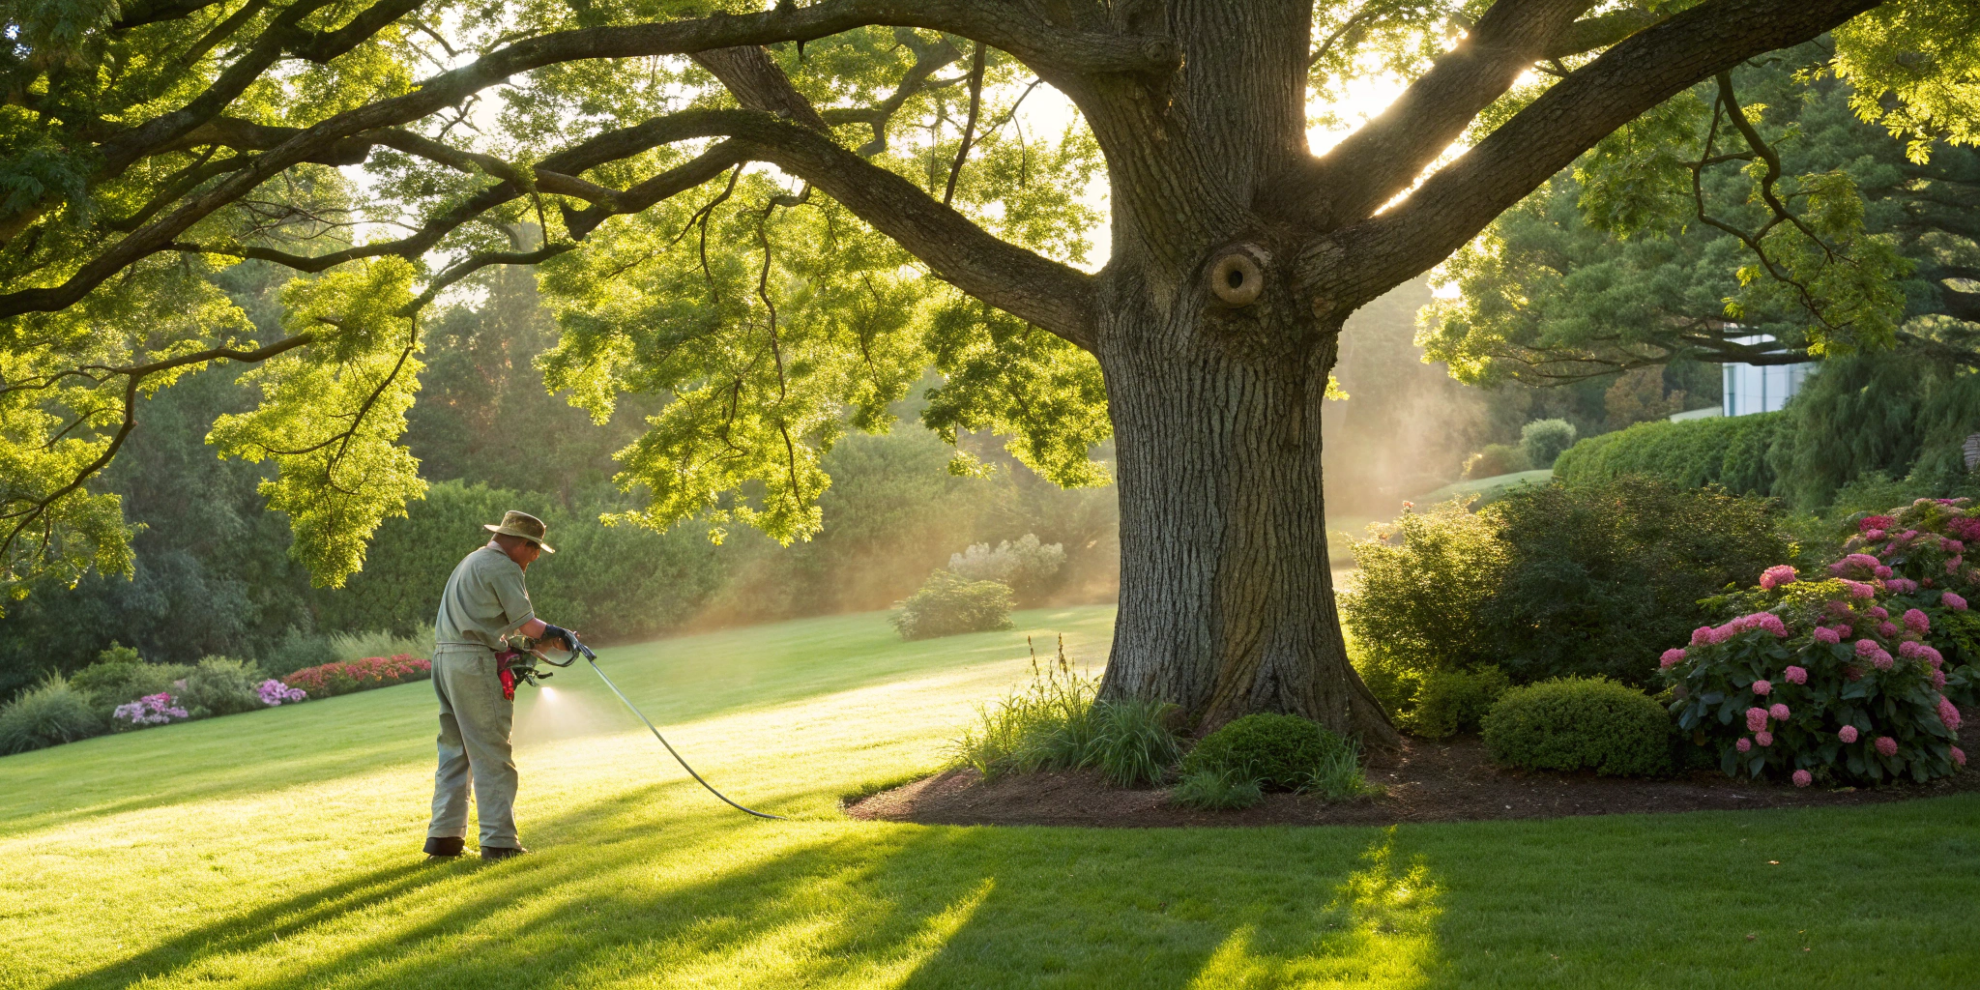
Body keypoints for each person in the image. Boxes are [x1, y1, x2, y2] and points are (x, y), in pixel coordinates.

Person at [422, 510, 578, 862]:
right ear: (521, 543)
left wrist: (543, 642)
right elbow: (527, 625)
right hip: (472, 664)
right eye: (535, 549)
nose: (535, 557)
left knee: (456, 752)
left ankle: (444, 840)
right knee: (492, 752)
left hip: (446, 660)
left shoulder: (471, 561)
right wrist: (560, 634)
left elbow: (494, 628)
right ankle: (499, 842)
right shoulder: (503, 566)